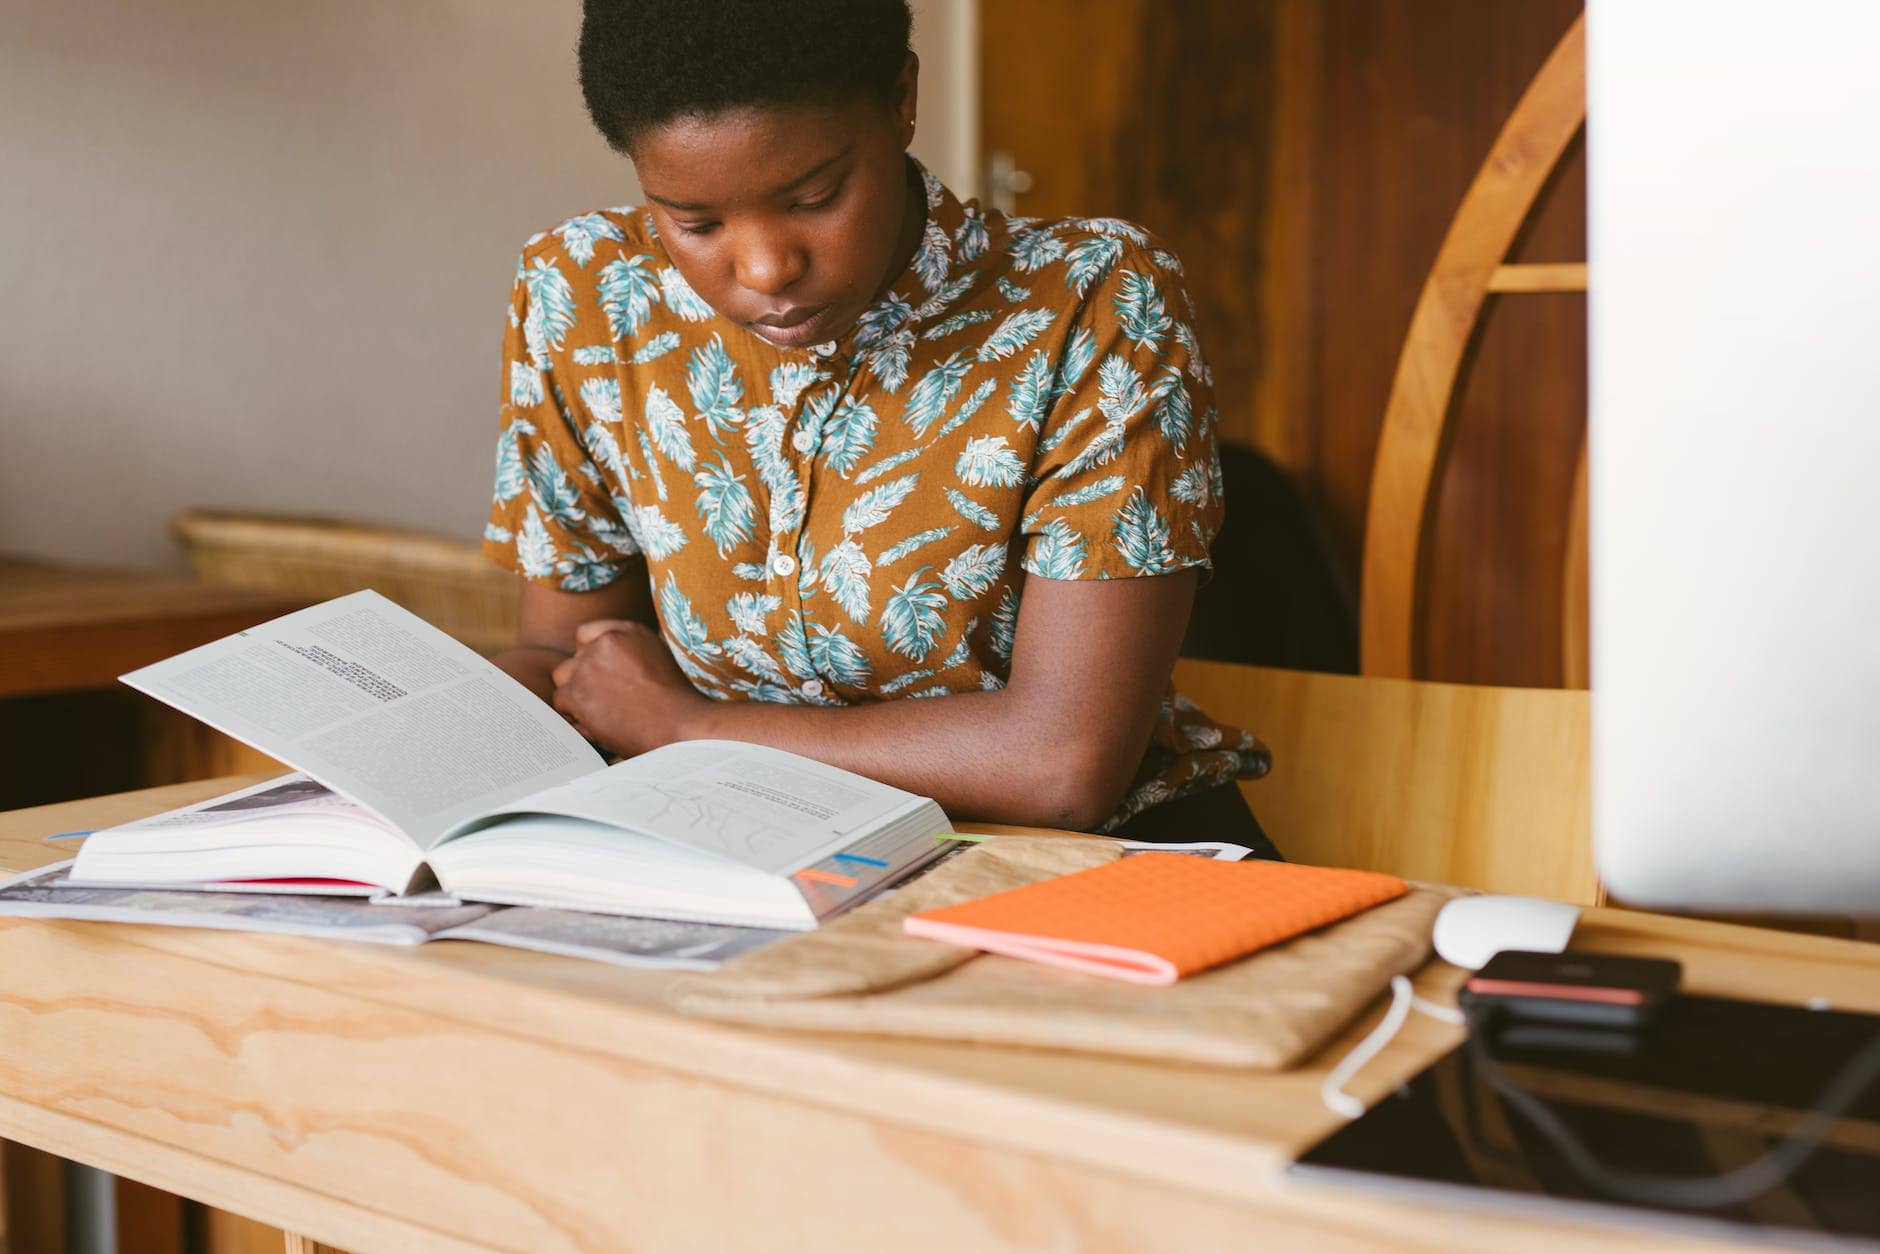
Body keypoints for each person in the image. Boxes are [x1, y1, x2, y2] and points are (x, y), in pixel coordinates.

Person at [483, 0, 1275, 853]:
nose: (765, 270)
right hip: (743, 855)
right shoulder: (588, 297)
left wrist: (688, 729)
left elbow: (1062, 768)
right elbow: (579, 665)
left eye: (816, 197)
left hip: (1083, 869)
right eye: (696, 223)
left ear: (902, 98)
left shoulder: (1092, 302)